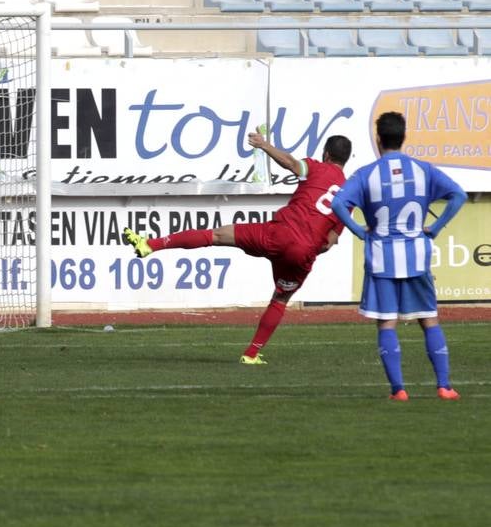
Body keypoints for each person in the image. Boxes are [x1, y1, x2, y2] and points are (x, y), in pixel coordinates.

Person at [124, 129, 352, 365]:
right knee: (280, 300)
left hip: (277, 233)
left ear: (325, 153)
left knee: (217, 235)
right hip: (302, 252)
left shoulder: (316, 167)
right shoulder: (348, 195)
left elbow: (291, 163)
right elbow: (329, 242)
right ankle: (251, 354)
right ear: (345, 160)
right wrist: (307, 249)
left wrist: (264, 145)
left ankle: (151, 245)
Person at [332, 112, 468, 401]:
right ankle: (444, 386)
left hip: (382, 257)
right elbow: (458, 195)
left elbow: (338, 203)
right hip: (416, 255)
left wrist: (359, 231)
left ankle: (399, 390)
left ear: (378, 139)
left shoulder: (366, 173)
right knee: (429, 319)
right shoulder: (423, 170)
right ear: (403, 137)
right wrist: (435, 228)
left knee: (387, 323)